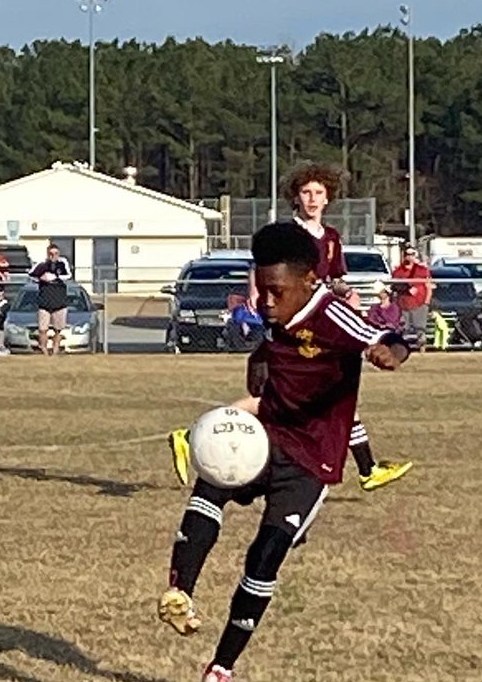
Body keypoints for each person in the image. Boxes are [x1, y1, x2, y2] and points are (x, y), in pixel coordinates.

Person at [157, 221, 410, 682]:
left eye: (276, 292)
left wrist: (390, 353)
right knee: (212, 479)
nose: (267, 302)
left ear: (308, 282)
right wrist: (259, 356)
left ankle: (220, 668)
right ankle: (179, 592)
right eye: (261, 289)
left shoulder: (334, 317)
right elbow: (273, 342)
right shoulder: (276, 311)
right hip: (268, 438)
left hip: (311, 460)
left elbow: (391, 334)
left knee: (264, 557)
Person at [169, 164, 411, 493]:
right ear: (295, 197)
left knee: (329, 393)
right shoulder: (288, 234)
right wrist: (259, 298)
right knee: (284, 397)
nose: (312, 199)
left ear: (328, 199)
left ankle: (366, 469)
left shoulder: (331, 238)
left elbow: (332, 281)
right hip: (290, 322)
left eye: (319, 193)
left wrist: (345, 295)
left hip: (321, 321)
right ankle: (198, 432)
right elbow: (264, 269)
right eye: (306, 192)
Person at [30, 243, 72, 356]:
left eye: (56, 253)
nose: (53, 256)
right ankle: (43, 349)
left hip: (59, 302)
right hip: (44, 302)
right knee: (43, 329)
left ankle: (55, 350)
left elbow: (68, 275)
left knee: (58, 329)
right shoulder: (42, 264)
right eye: (51, 254)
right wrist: (40, 278)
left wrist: (56, 277)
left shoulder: (62, 264)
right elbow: (31, 275)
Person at [392, 244, 433, 349]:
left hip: (419, 303)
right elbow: (395, 286)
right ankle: (400, 347)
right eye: (407, 254)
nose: (410, 256)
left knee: (420, 328)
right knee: (402, 327)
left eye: (412, 254)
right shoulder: (398, 271)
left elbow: (428, 285)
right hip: (403, 303)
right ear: (404, 255)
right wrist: (407, 289)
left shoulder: (422, 270)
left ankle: (422, 347)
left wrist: (427, 301)